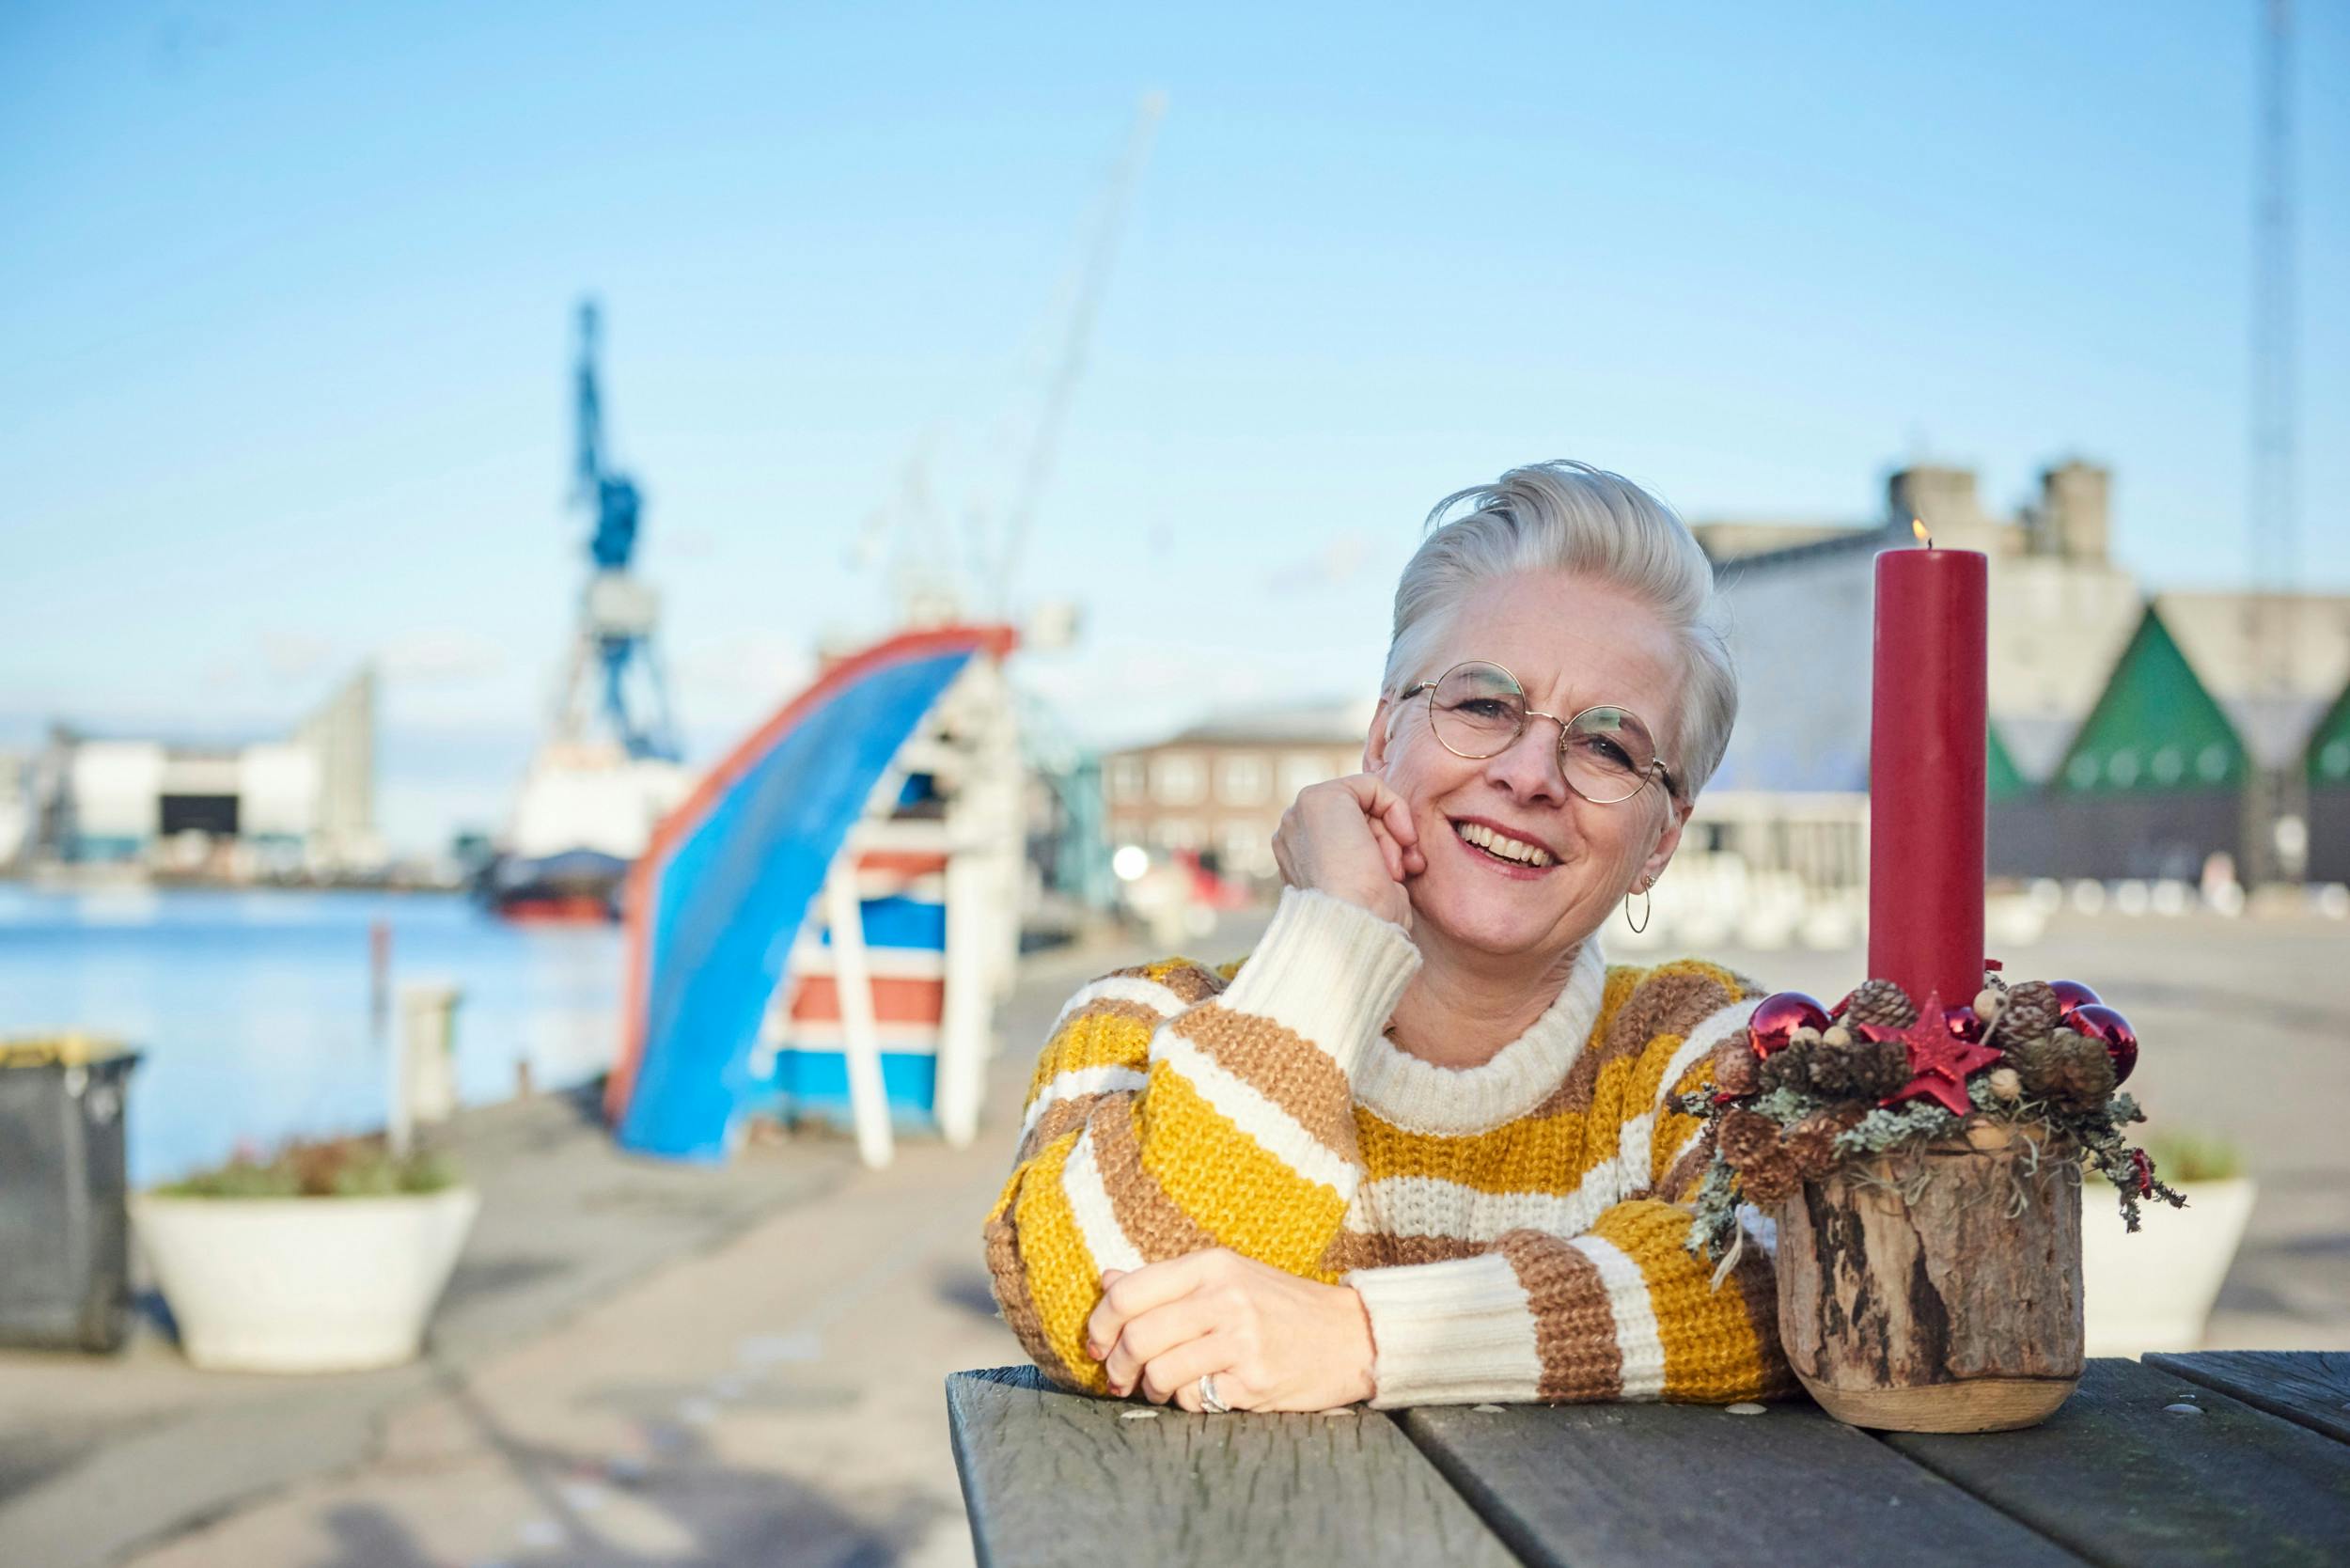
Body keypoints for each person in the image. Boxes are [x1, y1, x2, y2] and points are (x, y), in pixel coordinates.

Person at [985, 462, 1793, 1412]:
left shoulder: (1698, 1050)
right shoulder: (1144, 1020)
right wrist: (1336, 940)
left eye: (1607, 746)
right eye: (1484, 703)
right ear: (1380, 739)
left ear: (1659, 839)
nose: (1532, 773)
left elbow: (1793, 1274)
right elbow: (1088, 1304)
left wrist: (1365, 1338)